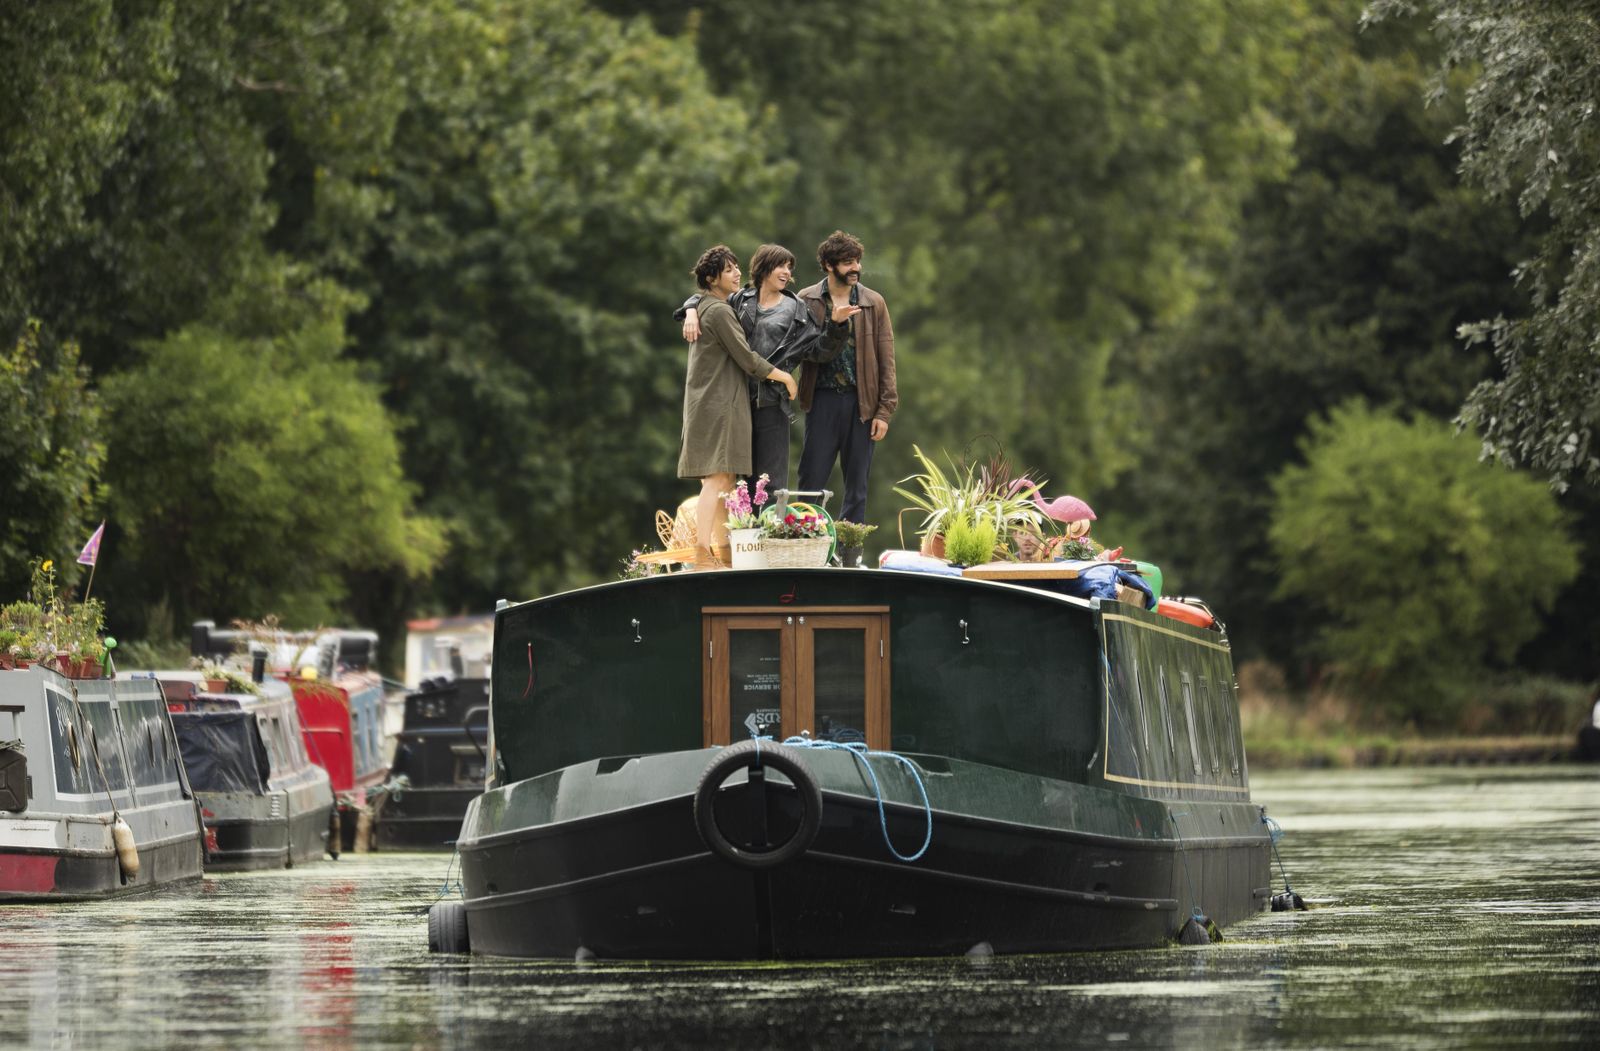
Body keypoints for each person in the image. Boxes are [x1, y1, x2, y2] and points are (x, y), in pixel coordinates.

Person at [677, 244, 848, 489]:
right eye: (781, 265)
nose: (787, 272)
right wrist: (690, 309)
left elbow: (818, 351)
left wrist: (836, 327)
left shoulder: (798, 310)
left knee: (769, 482)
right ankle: (735, 529)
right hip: (735, 399)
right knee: (733, 480)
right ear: (764, 267)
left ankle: (765, 529)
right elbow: (708, 296)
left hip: (771, 401)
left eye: (790, 268)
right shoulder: (739, 299)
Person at [678, 245, 798, 569]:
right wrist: (785, 377)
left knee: (724, 483)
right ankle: (703, 551)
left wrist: (690, 308)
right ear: (712, 278)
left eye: (736, 268)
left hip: (714, 402)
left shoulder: (706, 306)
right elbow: (747, 358)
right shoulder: (718, 310)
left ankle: (723, 552)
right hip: (718, 404)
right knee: (717, 481)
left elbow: (695, 302)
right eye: (729, 269)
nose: (737, 274)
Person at [795, 231, 897, 525]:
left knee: (858, 488)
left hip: (862, 404)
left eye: (857, 261)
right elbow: (803, 351)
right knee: (810, 482)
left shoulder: (873, 302)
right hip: (822, 400)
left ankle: (849, 556)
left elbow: (886, 359)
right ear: (828, 265)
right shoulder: (807, 300)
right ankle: (805, 549)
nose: (855, 268)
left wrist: (884, 411)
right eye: (847, 262)